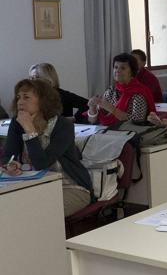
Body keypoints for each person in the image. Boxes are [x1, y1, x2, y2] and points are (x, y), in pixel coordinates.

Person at [1, 79, 93, 216]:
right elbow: (9, 154)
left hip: (70, 186)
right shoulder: (17, 122)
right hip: (34, 184)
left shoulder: (63, 126)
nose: (20, 102)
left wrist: (29, 129)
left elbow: (41, 163)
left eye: (26, 97)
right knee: (10, 209)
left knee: (38, 214)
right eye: (18, 97)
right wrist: (11, 164)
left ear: (43, 100)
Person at [87, 53, 156, 126]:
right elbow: (92, 121)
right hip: (109, 131)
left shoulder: (138, 93)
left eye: (123, 68)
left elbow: (138, 121)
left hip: (131, 132)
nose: (117, 70)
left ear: (132, 72)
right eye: (116, 67)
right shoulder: (111, 90)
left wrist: (111, 109)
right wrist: (92, 107)